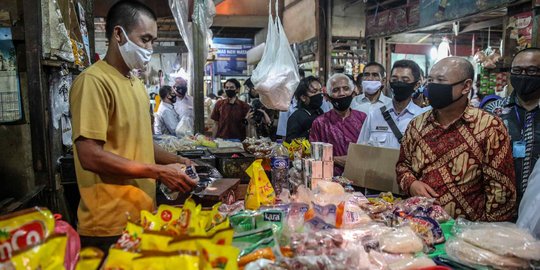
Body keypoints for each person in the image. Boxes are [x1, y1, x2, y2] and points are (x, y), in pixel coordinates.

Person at [69, 1, 196, 252]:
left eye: (153, 41)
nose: (149, 48)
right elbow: (90, 156)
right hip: (108, 226)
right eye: (145, 39)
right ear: (119, 34)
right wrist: (158, 172)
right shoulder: (93, 82)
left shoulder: (136, 84)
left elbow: (141, 144)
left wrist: (178, 159)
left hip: (142, 217)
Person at [396, 57, 516, 221]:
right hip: (419, 225)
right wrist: (411, 184)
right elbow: (402, 166)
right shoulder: (417, 124)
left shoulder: (489, 127)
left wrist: (486, 233)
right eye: (430, 80)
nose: (433, 86)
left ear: (466, 86)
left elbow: (500, 188)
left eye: (441, 80)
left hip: (468, 233)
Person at [485, 48, 540, 205]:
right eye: (517, 70)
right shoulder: (493, 110)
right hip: (498, 203)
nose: (523, 75)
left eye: (531, 70)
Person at [357, 60, 425, 149]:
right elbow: (360, 150)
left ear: (416, 85)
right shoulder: (374, 115)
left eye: (405, 80)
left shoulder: (421, 117)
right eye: (394, 79)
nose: (398, 83)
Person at [310, 73, 367, 174]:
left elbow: (371, 151)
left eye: (345, 88)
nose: (342, 93)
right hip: (329, 182)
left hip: (360, 178)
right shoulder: (320, 123)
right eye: (335, 90)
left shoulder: (363, 119)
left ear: (353, 93)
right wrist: (336, 159)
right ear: (327, 96)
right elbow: (314, 155)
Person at [286, 76, 324, 142]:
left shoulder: (320, 112)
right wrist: (310, 131)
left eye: (320, 91)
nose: (319, 94)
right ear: (303, 97)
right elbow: (290, 143)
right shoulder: (296, 117)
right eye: (314, 91)